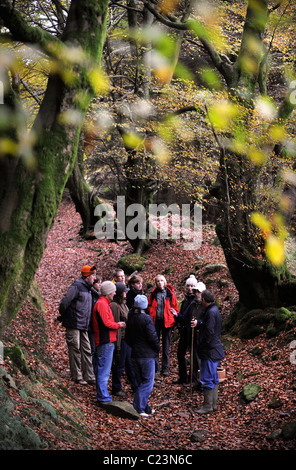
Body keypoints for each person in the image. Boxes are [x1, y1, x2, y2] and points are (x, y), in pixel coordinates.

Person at [58, 265, 97, 385]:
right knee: (75, 349)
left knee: (87, 349)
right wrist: (66, 315)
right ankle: (77, 376)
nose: (95, 278)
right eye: (93, 275)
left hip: (83, 325)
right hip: (74, 324)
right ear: (87, 276)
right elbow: (64, 302)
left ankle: (89, 376)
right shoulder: (76, 286)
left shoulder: (89, 289)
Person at [191, 289, 225, 414]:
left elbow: (209, 332)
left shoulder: (211, 312)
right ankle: (213, 405)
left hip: (209, 351)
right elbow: (205, 325)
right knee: (213, 377)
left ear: (205, 300)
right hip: (213, 349)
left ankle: (208, 406)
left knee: (207, 378)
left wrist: (202, 343)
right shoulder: (212, 310)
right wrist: (198, 323)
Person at [125, 294, 160, 417]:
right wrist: (157, 348)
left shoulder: (131, 318)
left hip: (135, 354)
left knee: (141, 382)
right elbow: (152, 337)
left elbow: (127, 337)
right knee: (147, 383)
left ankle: (146, 407)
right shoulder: (146, 319)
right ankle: (139, 408)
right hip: (146, 355)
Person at [92, 281, 126, 404]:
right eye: (113, 291)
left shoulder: (105, 303)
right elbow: (106, 323)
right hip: (105, 341)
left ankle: (103, 395)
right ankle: (103, 397)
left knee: (103, 369)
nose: (115, 293)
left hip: (106, 341)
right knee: (104, 371)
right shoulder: (102, 304)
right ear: (107, 293)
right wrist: (119, 325)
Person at [172, 275, 205, 386]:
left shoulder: (206, 307)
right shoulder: (191, 303)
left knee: (196, 358)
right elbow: (185, 317)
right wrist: (177, 316)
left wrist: (198, 324)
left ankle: (196, 380)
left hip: (199, 335)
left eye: (197, 291)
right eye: (190, 287)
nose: (194, 292)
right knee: (187, 355)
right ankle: (188, 379)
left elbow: (207, 321)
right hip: (187, 332)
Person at [110, 282, 138, 397]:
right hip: (121, 340)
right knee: (120, 365)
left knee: (129, 364)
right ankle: (116, 388)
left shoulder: (124, 304)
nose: (126, 292)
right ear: (120, 293)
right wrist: (117, 344)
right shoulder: (115, 306)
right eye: (124, 291)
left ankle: (135, 386)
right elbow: (117, 325)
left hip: (127, 339)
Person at [148, 274, 178, 376]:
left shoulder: (170, 294)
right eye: (158, 281)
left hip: (167, 323)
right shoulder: (153, 294)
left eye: (161, 281)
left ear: (165, 282)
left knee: (166, 346)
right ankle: (156, 369)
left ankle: (165, 369)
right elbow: (149, 307)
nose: (160, 283)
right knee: (155, 345)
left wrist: (173, 317)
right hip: (156, 322)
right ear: (155, 283)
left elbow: (175, 308)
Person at [88, 277, 102, 372]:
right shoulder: (91, 294)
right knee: (93, 348)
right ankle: (92, 369)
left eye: (101, 283)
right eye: (98, 283)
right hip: (91, 325)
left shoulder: (99, 295)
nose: (99, 285)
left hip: (98, 326)